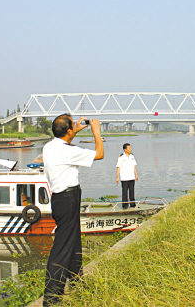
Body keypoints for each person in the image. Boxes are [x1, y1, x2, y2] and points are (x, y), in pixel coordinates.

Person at [42, 114, 104, 306]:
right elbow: (99, 153)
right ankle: (52, 299)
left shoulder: (49, 147)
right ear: (68, 131)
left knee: (73, 243)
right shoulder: (68, 151)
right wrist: (96, 131)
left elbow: (64, 141)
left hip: (60, 199)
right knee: (61, 249)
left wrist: (75, 130)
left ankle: (78, 285)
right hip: (69, 199)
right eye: (72, 125)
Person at [116, 143, 138, 209]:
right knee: (125, 192)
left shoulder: (132, 156)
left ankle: (133, 205)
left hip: (132, 177)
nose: (130, 149)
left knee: (132, 191)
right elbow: (118, 167)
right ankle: (125, 206)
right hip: (124, 178)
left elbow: (134, 166)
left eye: (130, 148)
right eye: (129, 148)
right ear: (125, 149)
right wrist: (117, 177)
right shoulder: (121, 157)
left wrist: (136, 174)